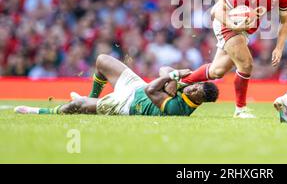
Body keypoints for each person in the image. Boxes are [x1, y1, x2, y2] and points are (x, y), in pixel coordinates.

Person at [177, 0, 287, 118]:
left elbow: (285, 21)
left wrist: (279, 48)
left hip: (243, 28)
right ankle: (240, 109)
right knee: (246, 64)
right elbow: (216, 11)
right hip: (227, 21)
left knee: (217, 71)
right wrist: (234, 25)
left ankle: (180, 83)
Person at [15, 54, 219, 116]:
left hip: (126, 104)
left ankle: (37, 111)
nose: (192, 88)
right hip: (136, 86)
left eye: (196, 92)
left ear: (199, 102)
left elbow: (151, 90)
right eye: (195, 86)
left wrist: (172, 78)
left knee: (78, 107)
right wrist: (172, 76)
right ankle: (92, 95)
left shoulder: (178, 109)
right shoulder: (188, 88)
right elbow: (163, 68)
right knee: (102, 60)